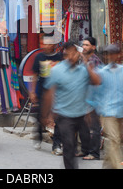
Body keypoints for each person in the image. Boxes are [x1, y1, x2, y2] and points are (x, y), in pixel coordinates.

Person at [42, 40, 101, 169]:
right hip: (64, 116)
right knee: (69, 146)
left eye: (75, 53)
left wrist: (86, 64)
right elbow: (49, 94)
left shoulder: (83, 70)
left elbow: (97, 81)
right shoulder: (57, 70)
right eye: (70, 54)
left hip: (81, 115)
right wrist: (47, 115)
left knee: (81, 144)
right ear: (65, 55)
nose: (73, 56)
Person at [95, 44, 123, 169]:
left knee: (116, 140)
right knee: (114, 139)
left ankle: (107, 166)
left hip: (121, 110)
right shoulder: (102, 72)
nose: (112, 56)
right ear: (107, 56)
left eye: (114, 53)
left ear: (118, 54)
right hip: (107, 111)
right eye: (109, 54)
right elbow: (97, 92)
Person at [30, 33, 63, 155]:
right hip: (42, 91)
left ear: (54, 44)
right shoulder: (39, 57)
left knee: (58, 119)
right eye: (44, 43)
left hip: (57, 92)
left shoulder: (60, 57)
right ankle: (38, 136)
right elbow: (34, 75)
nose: (47, 46)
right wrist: (32, 92)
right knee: (40, 117)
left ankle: (56, 145)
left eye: (49, 43)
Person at [76, 37, 103, 160]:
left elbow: (96, 80)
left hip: (93, 97)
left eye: (87, 45)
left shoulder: (94, 61)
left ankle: (94, 153)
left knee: (93, 127)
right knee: (83, 126)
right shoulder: (83, 60)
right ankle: (85, 150)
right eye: (83, 45)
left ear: (93, 47)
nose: (84, 47)